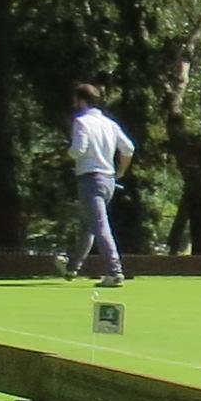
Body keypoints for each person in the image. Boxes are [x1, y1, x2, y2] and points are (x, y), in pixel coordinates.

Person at [62, 84, 135, 285]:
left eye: (76, 99)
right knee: (88, 227)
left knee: (100, 226)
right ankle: (72, 268)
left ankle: (115, 271)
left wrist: (66, 153)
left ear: (81, 100)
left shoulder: (82, 122)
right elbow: (128, 148)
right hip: (108, 180)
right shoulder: (109, 123)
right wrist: (120, 171)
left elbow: (78, 150)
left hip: (90, 179)